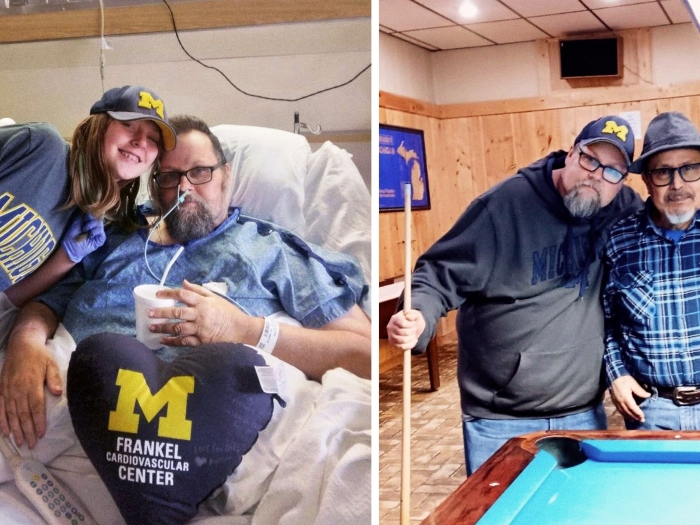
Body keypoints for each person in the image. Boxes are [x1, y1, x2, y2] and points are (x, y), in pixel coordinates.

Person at [0, 114, 370, 449]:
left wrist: (246, 329)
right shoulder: (114, 234)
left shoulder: (269, 250)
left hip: (180, 440)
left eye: (200, 172)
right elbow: (49, 300)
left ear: (227, 175)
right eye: (169, 176)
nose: (184, 188)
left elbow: (364, 354)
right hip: (52, 410)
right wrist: (25, 343)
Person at [387, 115, 643, 475]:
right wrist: (418, 318)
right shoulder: (502, 207)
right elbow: (436, 275)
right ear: (571, 154)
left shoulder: (622, 209)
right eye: (590, 159)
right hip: (500, 419)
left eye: (613, 171)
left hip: (584, 411)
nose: (597, 176)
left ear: (622, 181)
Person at [0, 85, 176, 308]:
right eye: (128, 125)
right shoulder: (42, 147)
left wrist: (67, 258)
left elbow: (8, 300)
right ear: (99, 126)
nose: (141, 141)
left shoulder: (91, 220)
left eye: (154, 140)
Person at [604, 111, 700, 430]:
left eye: (690, 169)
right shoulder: (619, 241)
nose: (678, 185)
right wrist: (616, 373)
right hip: (652, 412)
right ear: (646, 178)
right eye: (662, 172)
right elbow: (606, 324)